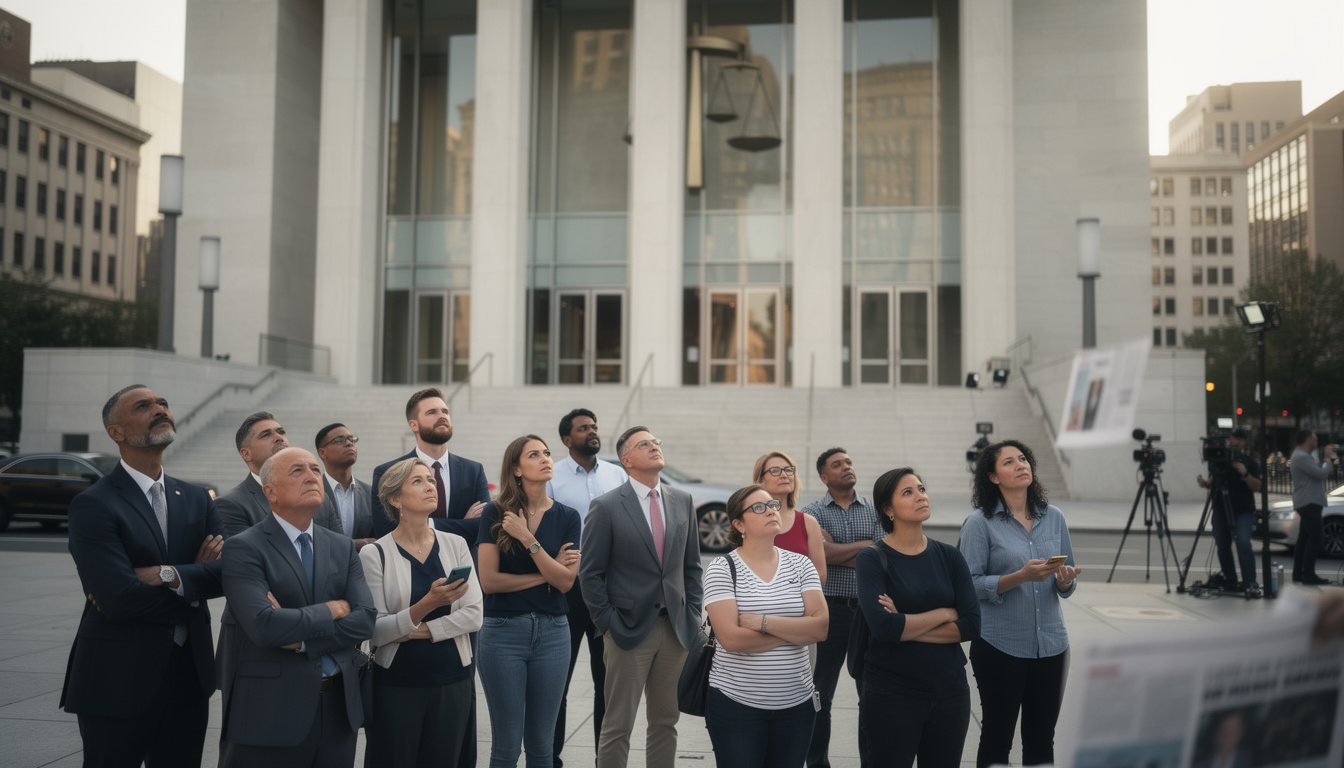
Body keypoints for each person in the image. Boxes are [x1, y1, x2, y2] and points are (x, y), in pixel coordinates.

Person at [61, 384, 225, 767]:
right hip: (117, 679)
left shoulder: (197, 499)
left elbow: (226, 573)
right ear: (116, 432)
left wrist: (166, 574)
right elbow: (118, 598)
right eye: (143, 406)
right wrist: (192, 588)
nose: (160, 409)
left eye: (163, 403)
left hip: (189, 677)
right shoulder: (94, 504)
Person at [218, 447, 376, 768]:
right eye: (297, 470)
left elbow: (365, 621)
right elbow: (264, 626)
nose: (312, 476)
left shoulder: (341, 546)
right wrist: (332, 610)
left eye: (315, 469)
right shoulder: (244, 547)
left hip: (338, 711)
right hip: (271, 712)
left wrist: (301, 639)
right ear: (270, 492)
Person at [369, 387, 489, 767]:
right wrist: (429, 605)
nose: (430, 485)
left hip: (453, 677)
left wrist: (414, 629)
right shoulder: (375, 554)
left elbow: (474, 615)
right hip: (396, 682)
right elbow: (375, 631)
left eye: (431, 481)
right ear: (395, 499)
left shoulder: (456, 545)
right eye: (418, 482)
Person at [579, 426, 704, 768]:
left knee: (666, 721)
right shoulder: (606, 506)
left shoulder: (683, 500)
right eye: (644, 444)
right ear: (627, 460)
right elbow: (590, 574)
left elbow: (692, 567)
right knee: (618, 724)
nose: (654, 446)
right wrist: (609, 623)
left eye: (655, 442)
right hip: (628, 630)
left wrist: (692, 615)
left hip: (676, 629)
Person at [959, 439, 1081, 768]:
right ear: (993, 477)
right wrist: (1019, 577)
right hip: (1000, 645)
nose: (1020, 465)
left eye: (1023, 459)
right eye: (1009, 462)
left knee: (1042, 741)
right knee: (997, 739)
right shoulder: (979, 523)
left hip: (1052, 645)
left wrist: (1065, 581)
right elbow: (968, 586)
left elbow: (1066, 582)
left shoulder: (1054, 517)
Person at [857, 467, 979, 768]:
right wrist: (944, 613)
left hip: (950, 692)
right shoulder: (872, 558)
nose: (920, 496)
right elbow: (884, 629)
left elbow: (971, 625)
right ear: (888, 509)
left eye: (921, 489)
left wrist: (905, 623)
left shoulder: (950, 556)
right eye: (908, 492)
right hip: (892, 694)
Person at [702, 484, 828, 767]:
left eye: (772, 505)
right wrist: (796, 631)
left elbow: (820, 629)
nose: (771, 510)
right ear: (739, 524)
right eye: (759, 508)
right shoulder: (722, 568)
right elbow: (731, 639)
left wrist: (764, 623)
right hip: (736, 703)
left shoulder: (801, 565)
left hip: (797, 705)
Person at [477, 435, 582, 768]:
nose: (545, 458)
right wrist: (546, 573)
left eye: (547, 453)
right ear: (516, 469)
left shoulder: (568, 516)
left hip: (554, 634)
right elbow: (489, 581)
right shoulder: (495, 512)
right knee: (506, 747)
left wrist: (527, 538)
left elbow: (566, 582)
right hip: (502, 633)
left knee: (541, 747)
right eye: (534, 454)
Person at [545, 408, 628, 767]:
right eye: (583, 428)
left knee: (606, 683)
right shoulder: (552, 475)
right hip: (566, 589)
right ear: (567, 439)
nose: (592, 431)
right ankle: (549, 757)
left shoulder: (616, 474)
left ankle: (603, 759)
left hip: (608, 590)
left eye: (594, 426)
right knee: (557, 682)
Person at [801, 448, 881, 768]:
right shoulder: (811, 514)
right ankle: (817, 763)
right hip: (829, 611)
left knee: (871, 695)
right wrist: (865, 548)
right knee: (820, 694)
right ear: (824, 477)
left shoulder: (876, 510)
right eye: (837, 464)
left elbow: (884, 554)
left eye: (848, 462)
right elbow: (818, 556)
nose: (846, 467)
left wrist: (834, 551)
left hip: (869, 612)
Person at [371, 388, 490, 543]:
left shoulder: (473, 471)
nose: (442, 416)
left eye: (445, 411)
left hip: (462, 558)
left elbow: (485, 526)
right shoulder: (388, 472)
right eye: (432, 412)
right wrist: (462, 523)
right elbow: (386, 530)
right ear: (414, 425)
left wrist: (420, 524)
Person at [217, 410, 340, 536]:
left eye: (281, 432)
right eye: (266, 435)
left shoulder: (319, 497)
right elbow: (246, 548)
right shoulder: (231, 505)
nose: (279, 438)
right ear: (246, 454)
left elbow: (341, 546)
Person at [1196, 429, 1263, 594]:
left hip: (1243, 510)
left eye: (1241, 439)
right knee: (1222, 544)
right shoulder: (1219, 460)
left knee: (1243, 543)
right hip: (1221, 509)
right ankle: (1230, 579)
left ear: (1245, 442)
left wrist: (1245, 473)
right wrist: (1205, 484)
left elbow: (1257, 486)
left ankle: (1250, 582)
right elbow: (1213, 481)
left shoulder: (1250, 462)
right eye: (1235, 438)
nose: (1237, 442)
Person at [753, 450, 826, 585]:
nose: (784, 475)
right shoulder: (750, 519)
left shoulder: (808, 522)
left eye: (788, 470)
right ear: (761, 480)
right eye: (775, 471)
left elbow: (820, 575)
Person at [316, 422, 377, 549]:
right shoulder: (312, 492)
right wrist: (355, 544)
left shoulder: (371, 494)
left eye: (352, 439)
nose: (349, 443)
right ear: (322, 453)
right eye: (339, 440)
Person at [1290, 429, 1335, 585]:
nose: (1316, 442)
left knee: (1303, 539)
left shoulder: (1301, 455)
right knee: (1316, 537)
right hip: (1309, 502)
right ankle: (1308, 574)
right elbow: (1320, 474)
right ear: (1308, 440)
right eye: (1314, 439)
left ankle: (1298, 574)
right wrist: (1327, 459)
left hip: (1307, 501)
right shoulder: (1302, 456)